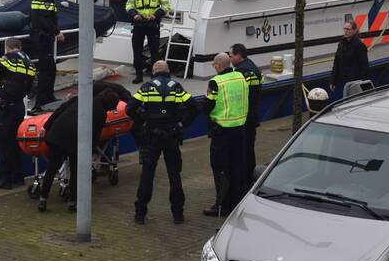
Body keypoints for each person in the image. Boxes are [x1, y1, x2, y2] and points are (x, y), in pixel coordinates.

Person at [36, 83, 123, 212]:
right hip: (75, 141)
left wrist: (46, 127)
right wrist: (91, 151)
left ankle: (43, 199)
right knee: (75, 171)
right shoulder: (101, 113)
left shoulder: (81, 99)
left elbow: (60, 110)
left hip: (57, 134)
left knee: (52, 168)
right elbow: (94, 135)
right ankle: (72, 202)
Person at [128, 60, 194, 225]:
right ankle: (178, 214)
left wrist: (143, 121)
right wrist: (181, 124)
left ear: (153, 71)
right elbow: (193, 107)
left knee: (147, 174)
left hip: (151, 137)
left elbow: (129, 109)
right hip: (172, 136)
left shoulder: (147, 87)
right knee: (174, 175)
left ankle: (140, 214)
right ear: (168, 71)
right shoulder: (176, 87)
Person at [200, 52, 249, 217]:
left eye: (214, 65)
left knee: (220, 169)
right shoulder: (240, 77)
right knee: (237, 166)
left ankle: (222, 205)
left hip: (222, 131)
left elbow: (207, 105)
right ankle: (237, 201)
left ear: (219, 65)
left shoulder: (216, 82)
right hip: (240, 129)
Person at [0, 38, 36, 189]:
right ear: (20, 47)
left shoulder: (7, 58)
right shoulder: (29, 62)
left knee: (3, 142)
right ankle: (18, 177)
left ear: (8, 47)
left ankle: (5, 179)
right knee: (15, 142)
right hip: (19, 106)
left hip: (7, 107)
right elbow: (31, 88)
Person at [125, 0, 172, 84]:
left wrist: (156, 15)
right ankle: (139, 75)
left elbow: (166, 6)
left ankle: (154, 76)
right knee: (137, 51)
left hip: (152, 24)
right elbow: (129, 5)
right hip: (139, 24)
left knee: (155, 52)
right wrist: (134, 14)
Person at [229, 44, 262, 190]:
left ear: (238, 55)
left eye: (231, 56)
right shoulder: (253, 67)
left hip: (244, 117)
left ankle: (245, 181)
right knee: (249, 149)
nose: (230, 59)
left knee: (243, 151)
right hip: (252, 114)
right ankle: (250, 177)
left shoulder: (241, 72)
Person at [28, 0, 66, 109]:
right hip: (43, 39)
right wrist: (57, 32)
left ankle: (49, 96)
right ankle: (41, 101)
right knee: (47, 71)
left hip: (38, 37)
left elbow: (35, 18)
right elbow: (46, 21)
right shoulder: (47, 1)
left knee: (50, 69)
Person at [330, 18, 369, 98]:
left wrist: (362, 83)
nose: (345, 31)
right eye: (344, 29)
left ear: (354, 30)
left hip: (355, 82)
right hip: (344, 82)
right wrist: (333, 80)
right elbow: (336, 63)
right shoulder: (341, 44)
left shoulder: (359, 45)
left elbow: (364, 66)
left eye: (348, 29)